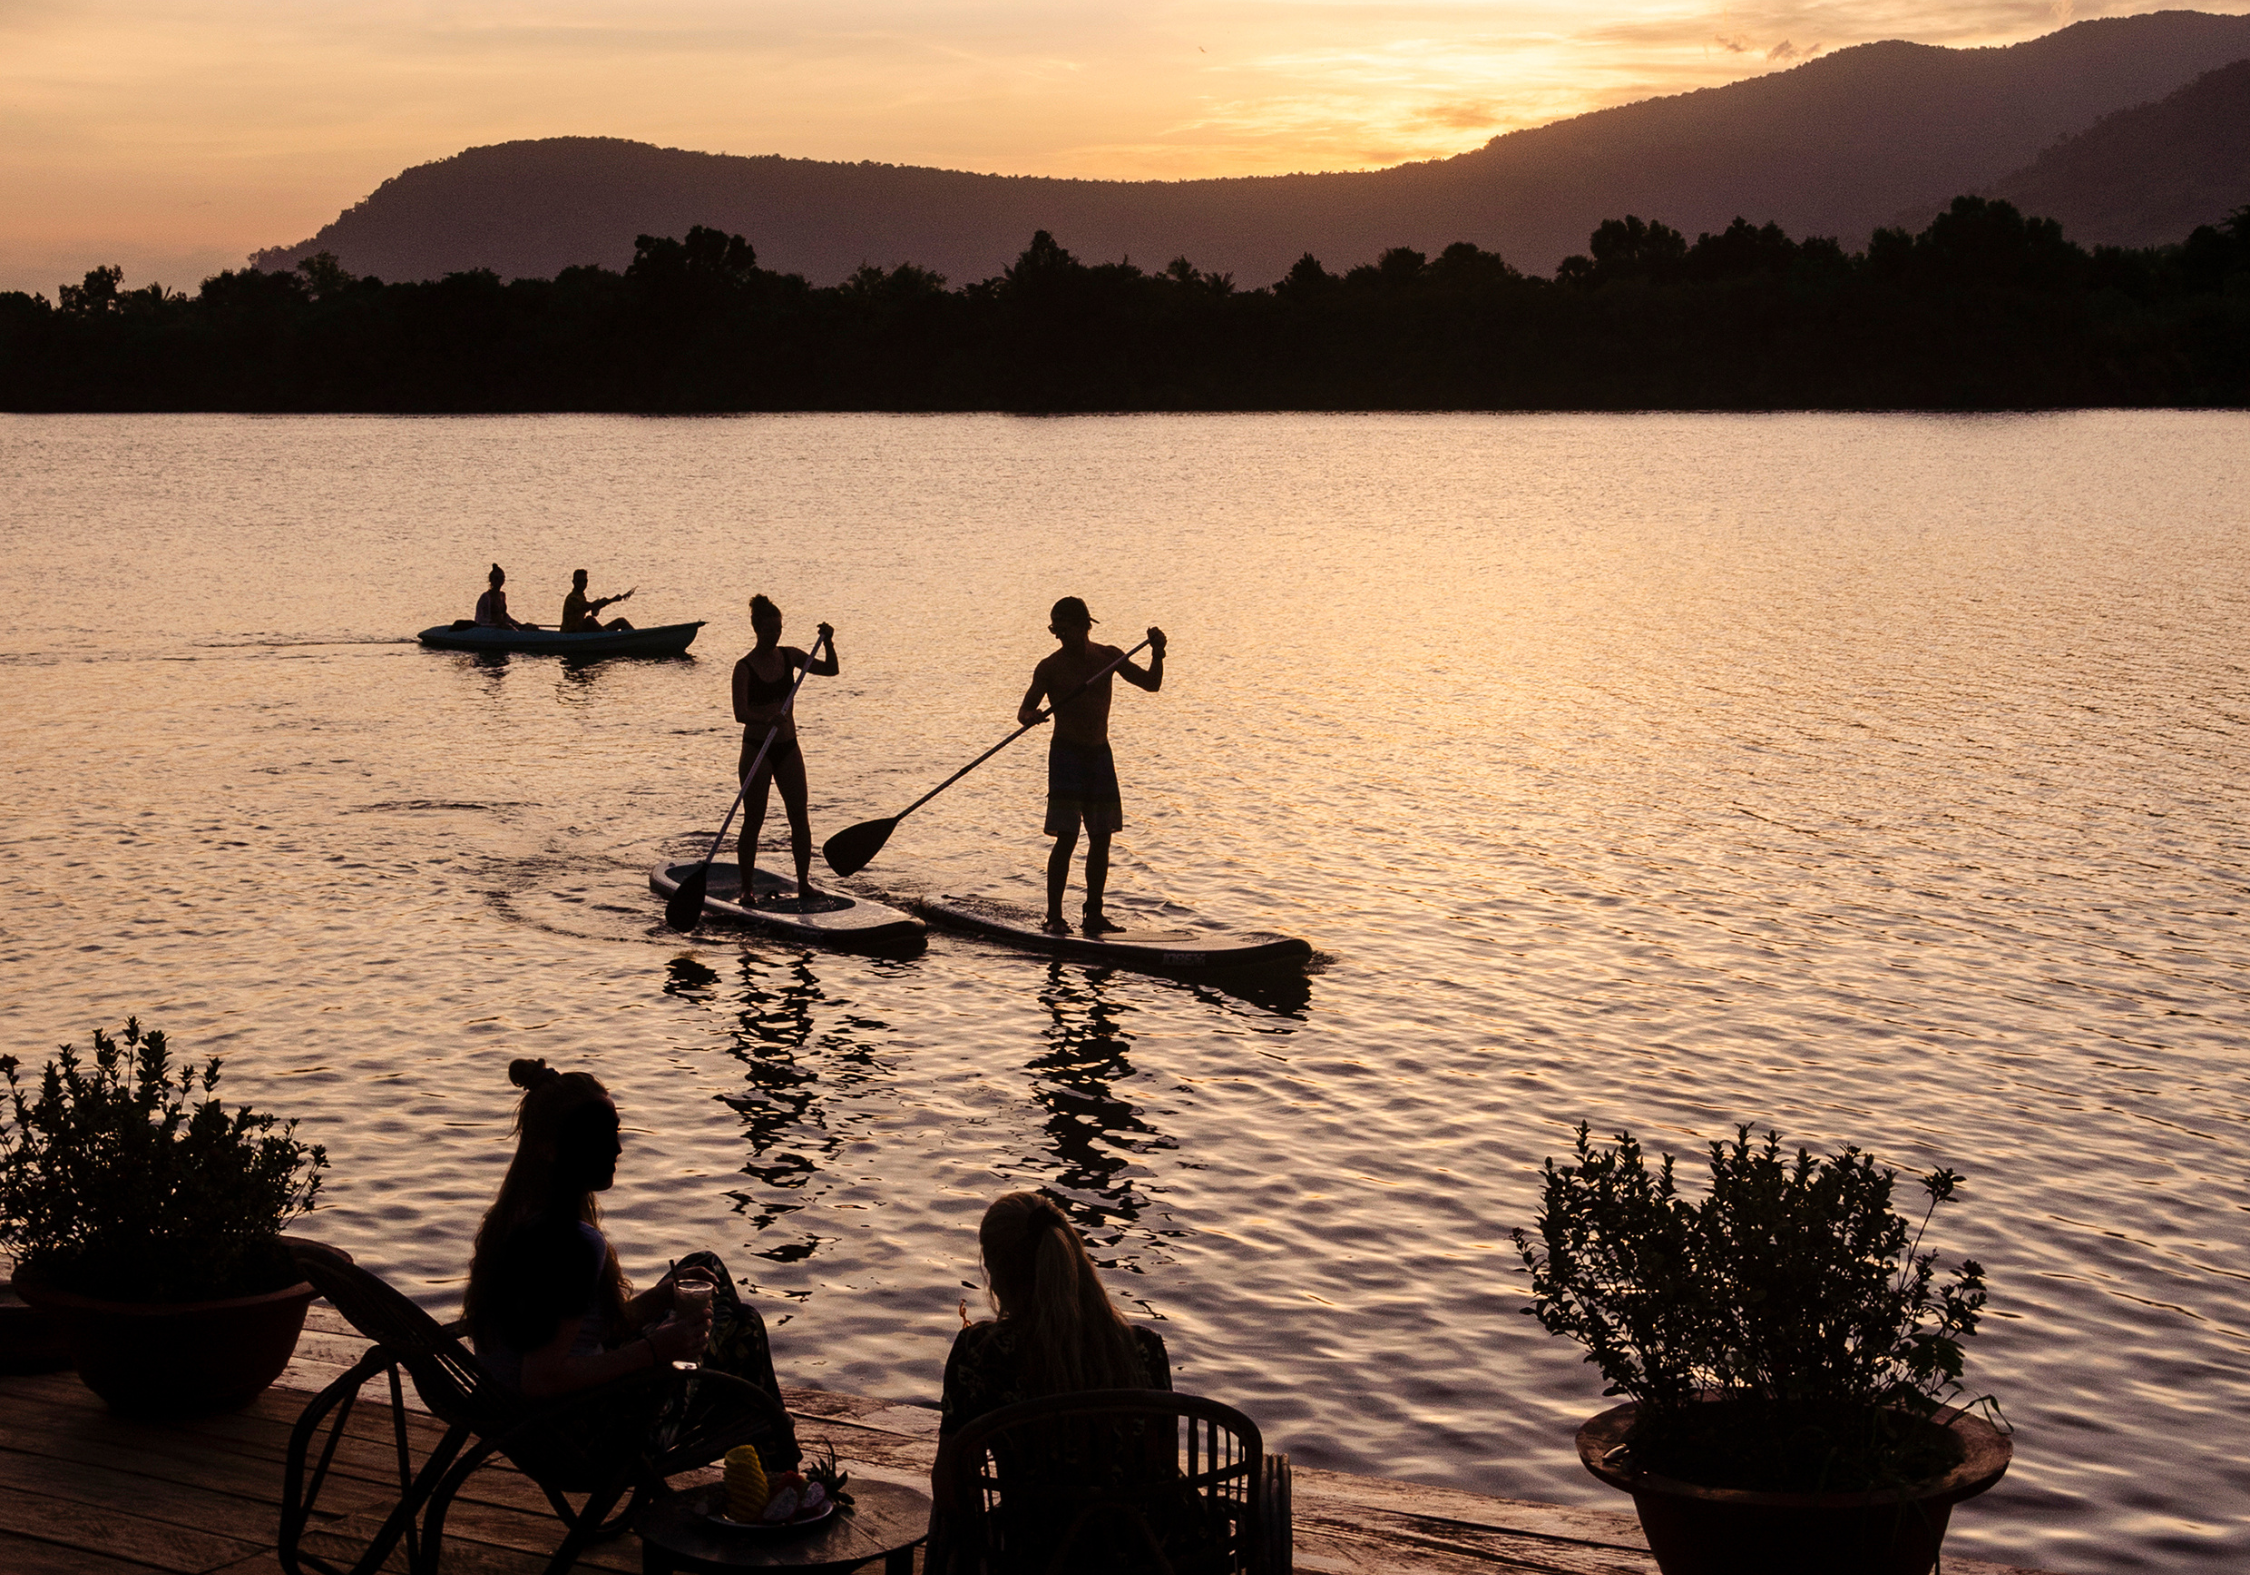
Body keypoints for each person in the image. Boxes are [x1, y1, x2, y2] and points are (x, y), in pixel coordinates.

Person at [463, 1058, 797, 1471]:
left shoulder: (517, 1216)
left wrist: (658, 1300)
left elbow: (573, 1335)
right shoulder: (572, 1244)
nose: (617, 1148)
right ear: (549, 1148)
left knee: (703, 1267)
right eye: (596, 1137)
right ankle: (776, 1470)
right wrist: (654, 1351)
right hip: (584, 1438)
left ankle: (766, 1466)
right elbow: (542, 1380)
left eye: (614, 1133)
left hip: (525, 1422)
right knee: (741, 1323)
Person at [938, 1190, 1171, 1441]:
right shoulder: (1146, 1350)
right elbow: (1165, 1464)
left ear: (997, 1273)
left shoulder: (979, 1355)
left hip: (1028, 1483)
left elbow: (950, 1476)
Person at [1016, 597, 1165, 935]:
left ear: (1084, 625)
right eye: (1055, 629)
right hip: (1066, 756)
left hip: (1099, 755)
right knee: (1067, 837)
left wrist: (1157, 652)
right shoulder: (1049, 667)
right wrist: (1031, 717)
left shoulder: (1108, 657)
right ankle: (1054, 916)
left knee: (1101, 837)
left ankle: (1093, 914)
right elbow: (1024, 709)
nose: (1058, 636)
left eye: (1063, 629)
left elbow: (1152, 684)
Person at [733, 595, 838, 906]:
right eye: (769, 630)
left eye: (778, 629)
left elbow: (831, 670)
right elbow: (740, 713)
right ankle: (747, 888)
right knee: (754, 818)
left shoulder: (790, 655)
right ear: (756, 630)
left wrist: (829, 641)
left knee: (799, 815)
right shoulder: (744, 667)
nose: (775, 635)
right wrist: (767, 717)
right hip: (757, 749)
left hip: (788, 746)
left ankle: (804, 882)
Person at [560, 570, 634, 633]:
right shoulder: (572, 598)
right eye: (579, 581)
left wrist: (596, 607)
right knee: (589, 620)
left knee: (621, 621)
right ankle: (608, 637)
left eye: (585, 581)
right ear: (573, 582)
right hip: (571, 633)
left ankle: (634, 637)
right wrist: (612, 600)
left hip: (582, 632)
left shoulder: (581, 596)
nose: (582, 584)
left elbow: (593, 610)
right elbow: (589, 606)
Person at [473, 564, 538, 630]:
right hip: (489, 629)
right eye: (496, 578)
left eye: (502, 578)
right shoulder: (485, 597)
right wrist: (497, 625)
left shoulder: (502, 595)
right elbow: (480, 619)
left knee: (531, 627)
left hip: (502, 628)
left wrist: (520, 625)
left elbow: (505, 616)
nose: (499, 580)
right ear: (491, 580)